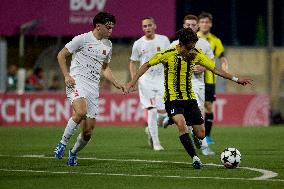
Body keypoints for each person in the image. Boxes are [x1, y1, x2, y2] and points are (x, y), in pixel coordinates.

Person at [125, 28, 252, 169]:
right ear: (181, 44)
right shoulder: (167, 54)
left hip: (190, 99)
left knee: (201, 134)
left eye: (193, 46)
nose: (192, 50)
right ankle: (195, 158)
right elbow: (146, 64)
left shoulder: (196, 54)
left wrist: (236, 79)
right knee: (181, 124)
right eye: (189, 47)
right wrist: (132, 81)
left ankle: (195, 135)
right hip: (172, 98)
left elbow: (215, 69)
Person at [54, 12, 125, 166]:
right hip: (77, 81)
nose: (111, 31)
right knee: (80, 111)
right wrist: (67, 76)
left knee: (87, 133)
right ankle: (62, 143)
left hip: (93, 88)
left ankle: (73, 153)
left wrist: (116, 83)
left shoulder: (108, 45)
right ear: (98, 26)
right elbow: (61, 55)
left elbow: (104, 68)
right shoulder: (82, 39)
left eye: (112, 28)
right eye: (108, 27)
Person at [170, 14, 215, 156]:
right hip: (180, 86)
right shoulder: (173, 45)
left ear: (197, 27)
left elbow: (212, 64)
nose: (190, 27)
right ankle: (203, 144)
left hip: (197, 83)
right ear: (184, 26)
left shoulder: (204, 44)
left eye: (193, 25)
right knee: (185, 115)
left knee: (199, 114)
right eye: (187, 25)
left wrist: (203, 67)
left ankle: (200, 139)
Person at [129, 17, 170, 151]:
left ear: (155, 26)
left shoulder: (163, 40)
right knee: (152, 110)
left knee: (164, 114)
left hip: (161, 79)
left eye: (149, 25)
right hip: (146, 80)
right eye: (144, 26)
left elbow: (170, 58)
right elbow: (133, 62)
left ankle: (150, 129)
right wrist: (134, 80)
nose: (147, 28)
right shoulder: (138, 43)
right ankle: (156, 143)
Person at [197, 12, 229, 144]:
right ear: (198, 24)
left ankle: (207, 136)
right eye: (202, 22)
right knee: (195, 106)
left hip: (209, 79)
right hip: (193, 78)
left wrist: (225, 67)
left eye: (206, 22)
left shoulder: (215, 41)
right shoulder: (192, 37)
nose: (204, 24)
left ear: (210, 24)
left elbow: (222, 57)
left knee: (208, 107)